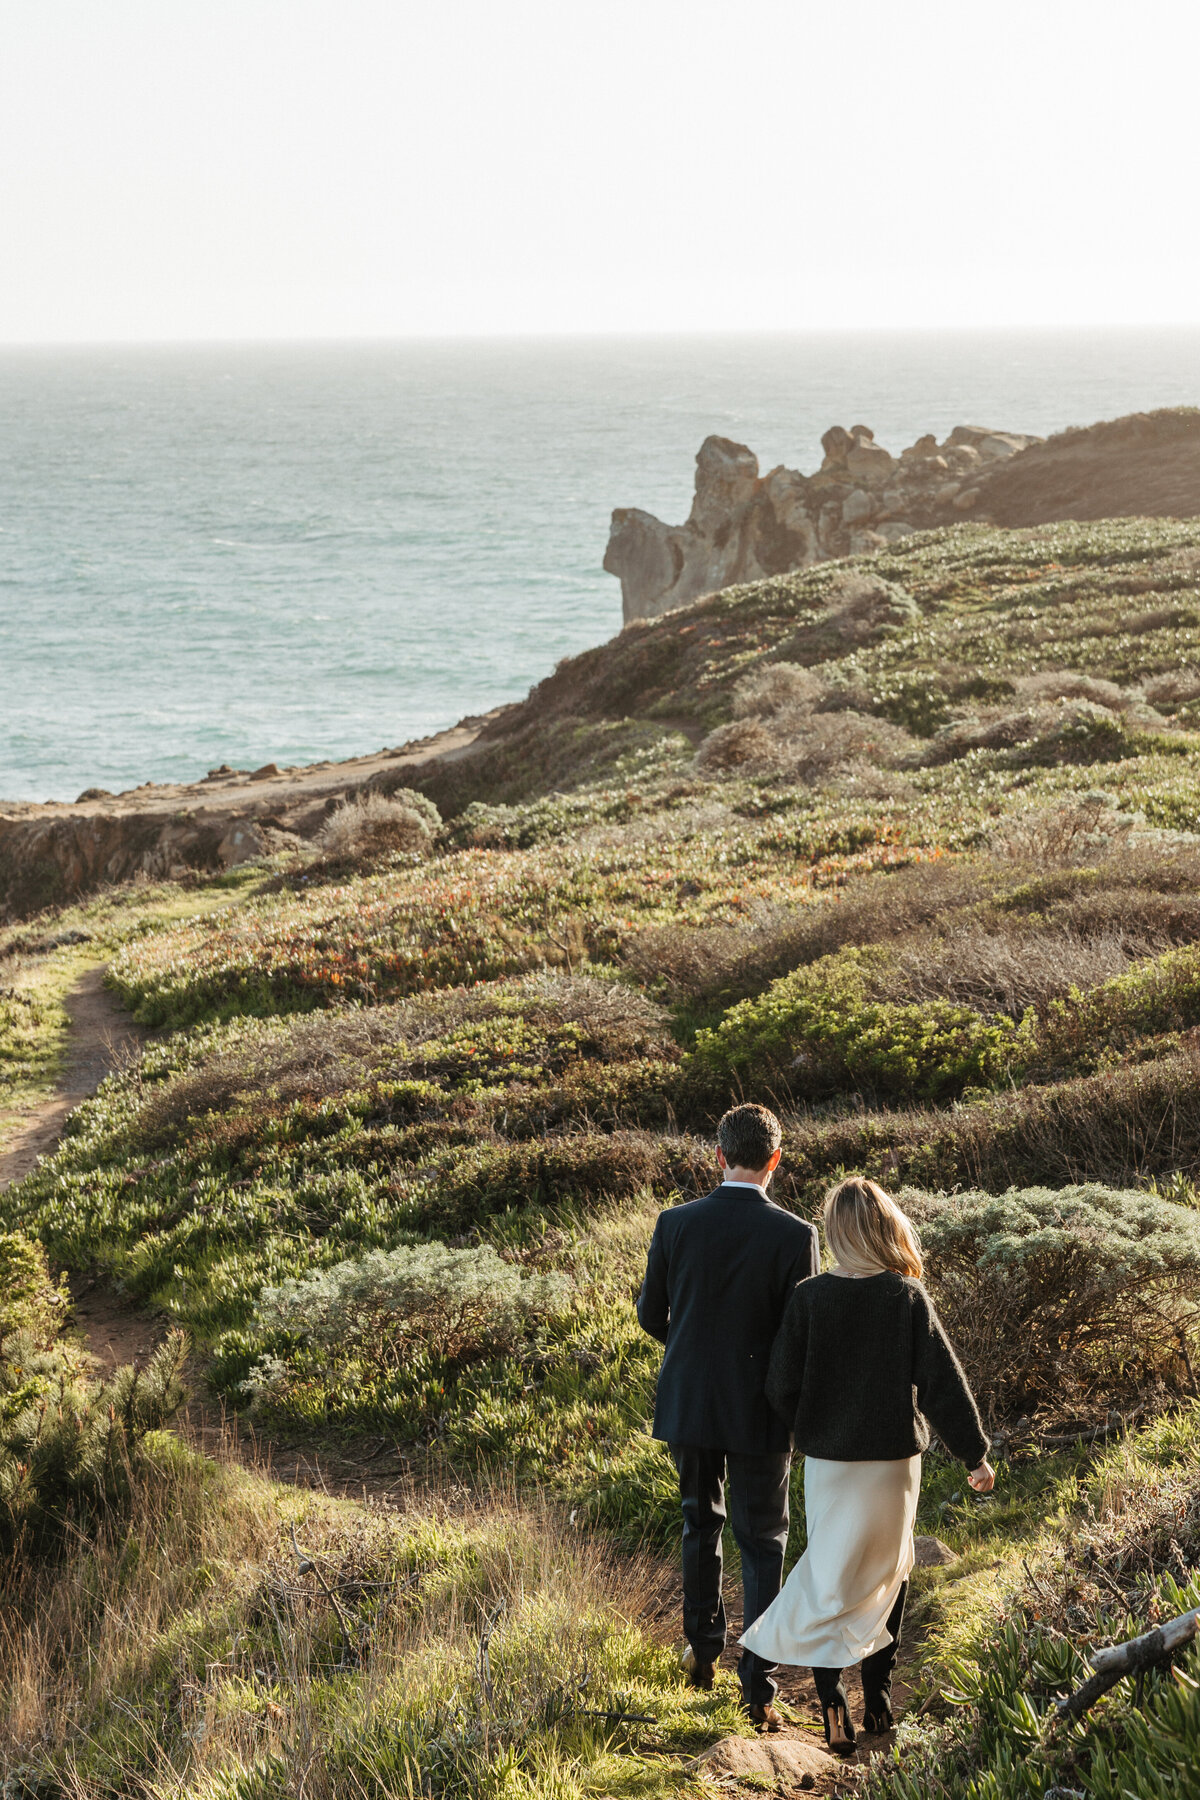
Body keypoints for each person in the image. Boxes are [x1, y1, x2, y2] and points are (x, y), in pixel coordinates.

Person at [739, 1176, 995, 1752]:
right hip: (893, 1467)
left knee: (832, 1575)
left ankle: (831, 1700)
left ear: (835, 1231)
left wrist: (809, 1424)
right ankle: (878, 1699)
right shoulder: (905, 1298)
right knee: (888, 1572)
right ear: (886, 1228)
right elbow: (942, 1387)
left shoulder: (809, 1298)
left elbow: (779, 1385)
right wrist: (974, 1454)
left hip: (829, 1463)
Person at [637, 1103, 820, 1729]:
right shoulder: (796, 1236)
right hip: (763, 1409)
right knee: (764, 1538)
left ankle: (702, 1648)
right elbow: (798, 1335)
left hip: (690, 1398)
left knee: (699, 1523)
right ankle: (758, 1681)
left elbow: (648, 1316)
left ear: (719, 1155)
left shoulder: (675, 1224)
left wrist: (692, 1353)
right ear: (775, 1159)